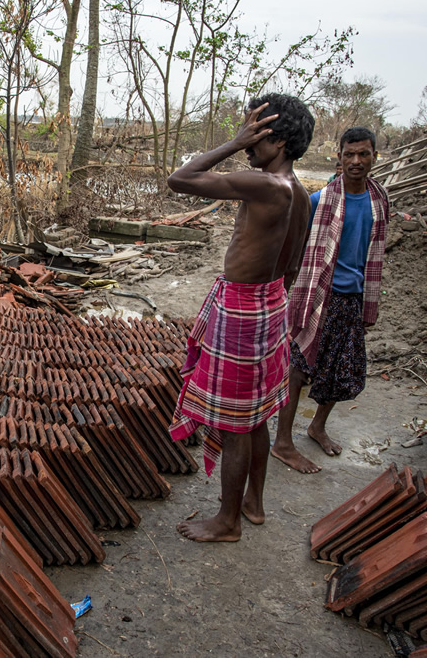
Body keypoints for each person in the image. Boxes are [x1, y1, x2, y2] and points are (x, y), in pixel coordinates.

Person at [167, 94, 315, 542]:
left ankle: (227, 521)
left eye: (259, 133)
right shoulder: (302, 193)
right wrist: (270, 306)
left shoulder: (264, 184)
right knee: (255, 417)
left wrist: (233, 142)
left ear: (283, 141)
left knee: (234, 423)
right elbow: (291, 266)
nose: (251, 141)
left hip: (244, 306)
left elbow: (180, 179)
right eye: (248, 130)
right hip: (271, 303)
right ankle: (253, 502)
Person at [270, 127, 390, 474]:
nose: (356, 161)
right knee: (298, 367)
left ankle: (317, 426)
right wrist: (286, 292)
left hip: (352, 297)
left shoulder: (378, 201)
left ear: (374, 157)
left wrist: (369, 301)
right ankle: (282, 441)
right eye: (349, 154)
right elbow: (295, 249)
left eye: (363, 154)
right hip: (316, 294)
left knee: (343, 367)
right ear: (338, 156)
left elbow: (374, 254)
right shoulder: (319, 200)